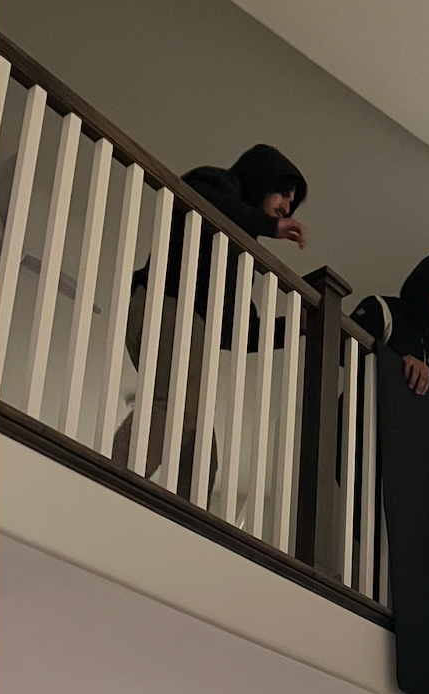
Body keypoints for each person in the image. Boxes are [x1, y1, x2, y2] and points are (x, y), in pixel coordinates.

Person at [112, 145, 308, 497]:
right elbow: (200, 198)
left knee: (201, 446)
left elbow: (238, 329)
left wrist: (295, 326)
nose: (287, 206)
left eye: (292, 203)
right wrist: (268, 225)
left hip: (191, 322)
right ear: (262, 178)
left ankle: (189, 530)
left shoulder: (236, 256)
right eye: (283, 193)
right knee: (172, 407)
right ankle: (105, 485)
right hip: (167, 304)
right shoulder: (217, 183)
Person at [349, 252, 429, 395]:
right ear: (426, 286)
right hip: (364, 414)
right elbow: (343, 349)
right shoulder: (383, 310)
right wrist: (399, 362)